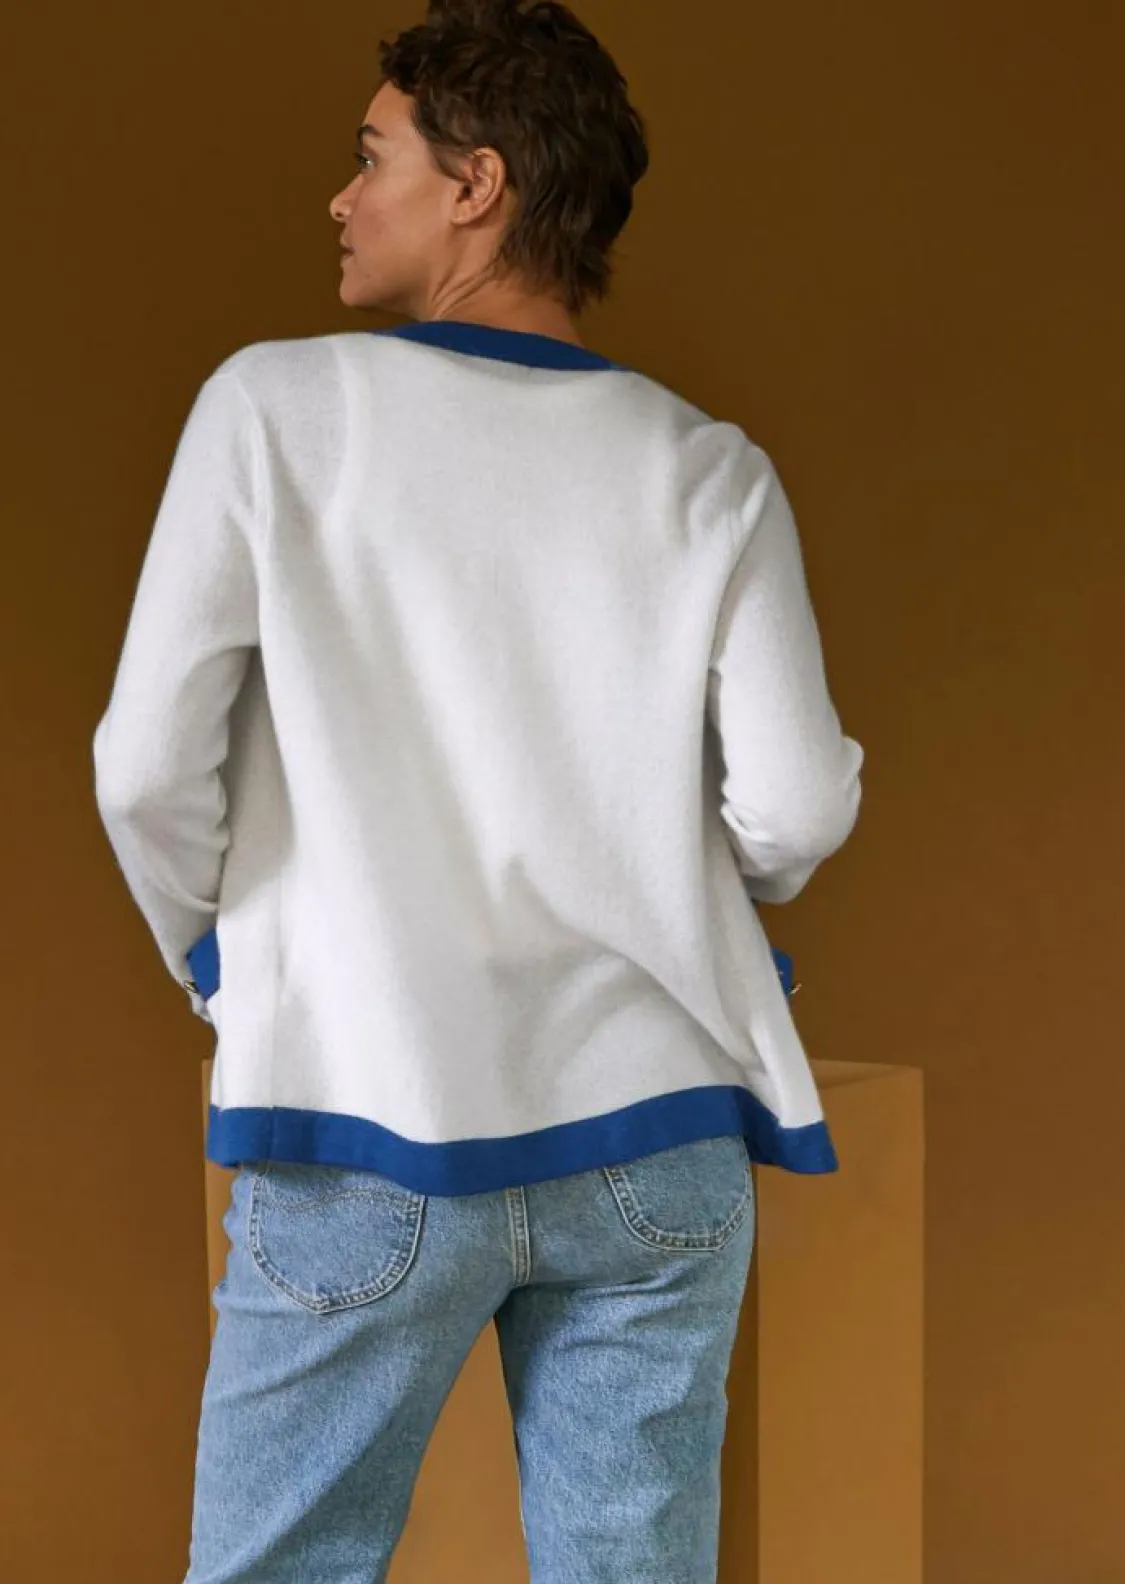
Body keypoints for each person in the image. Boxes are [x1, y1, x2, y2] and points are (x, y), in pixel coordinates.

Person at [91, 2, 864, 1578]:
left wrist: (224, 964)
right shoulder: (709, 470)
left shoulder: (273, 410)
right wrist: (674, 875)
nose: (341, 196)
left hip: (367, 1111)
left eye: (372, 156)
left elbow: (146, 765)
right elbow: (797, 808)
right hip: (654, 1137)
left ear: (478, 183)